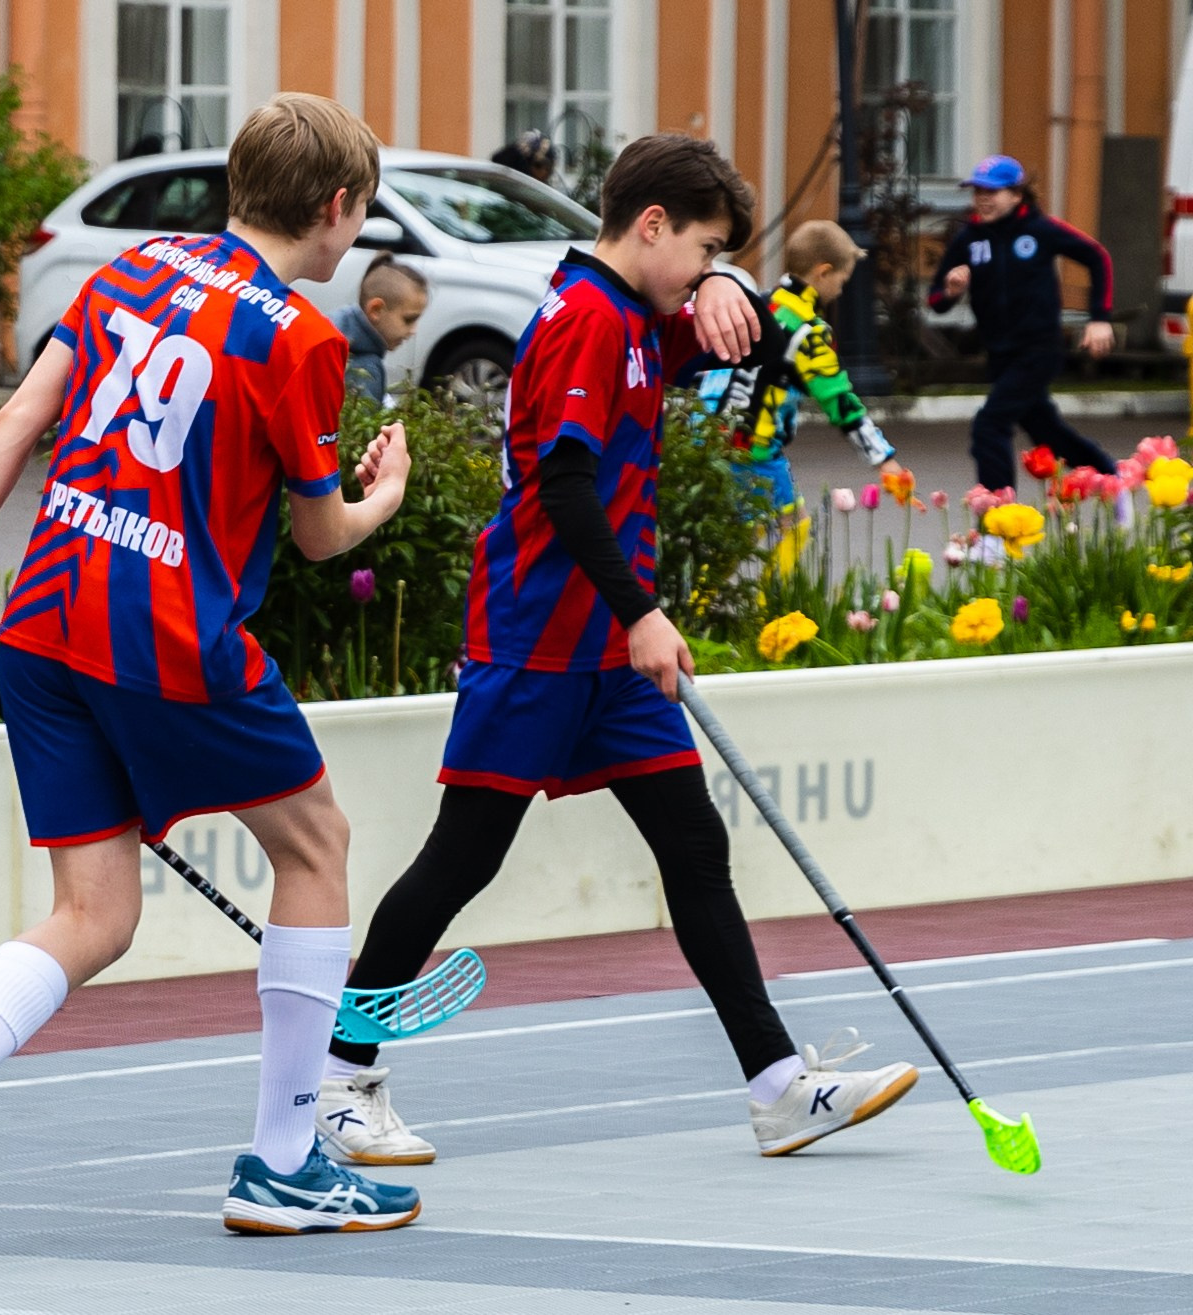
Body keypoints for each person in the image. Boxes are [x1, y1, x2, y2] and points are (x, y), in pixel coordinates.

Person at [0, 93, 421, 1255]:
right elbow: (314, 538)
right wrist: (381, 498)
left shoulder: (132, 270)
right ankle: (286, 1161)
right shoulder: (302, 338)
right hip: (169, 631)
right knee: (314, 844)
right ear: (339, 206)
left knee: (91, 913)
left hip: (46, 618)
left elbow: (18, 418)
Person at [313, 134, 917, 1169]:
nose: (703, 266)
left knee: (693, 845)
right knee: (461, 855)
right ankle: (337, 1079)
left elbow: (750, 341)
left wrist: (732, 279)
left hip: (607, 646)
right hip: (543, 637)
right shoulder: (588, 323)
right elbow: (561, 486)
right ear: (649, 227)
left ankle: (777, 1088)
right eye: (701, 244)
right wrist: (641, 611)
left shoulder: (636, 311)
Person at [703, 219, 909, 533]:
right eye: (842, 280)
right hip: (753, 449)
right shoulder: (808, 332)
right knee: (794, 531)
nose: (840, 291)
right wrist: (884, 459)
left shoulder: (763, 304)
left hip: (711, 435)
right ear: (823, 272)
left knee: (731, 538)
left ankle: (709, 584)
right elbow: (840, 402)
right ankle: (739, 585)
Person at [926, 155, 1117, 494]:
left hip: (1039, 349)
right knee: (1047, 432)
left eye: (992, 192)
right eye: (977, 192)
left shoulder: (1040, 229)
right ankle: (1112, 479)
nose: (982, 199)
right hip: (1000, 355)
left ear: (1016, 195)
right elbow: (935, 301)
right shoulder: (968, 239)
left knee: (989, 425)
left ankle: (997, 521)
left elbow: (1097, 256)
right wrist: (952, 291)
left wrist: (1099, 319)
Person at [332, 252, 429, 404]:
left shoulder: (332, 325)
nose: (413, 330)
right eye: (408, 319)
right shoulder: (364, 368)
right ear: (376, 310)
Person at [491, 129, 557, 185]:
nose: (543, 172)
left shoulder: (546, 190)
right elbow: (496, 161)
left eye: (548, 169)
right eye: (538, 165)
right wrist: (518, 148)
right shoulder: (520, 179)